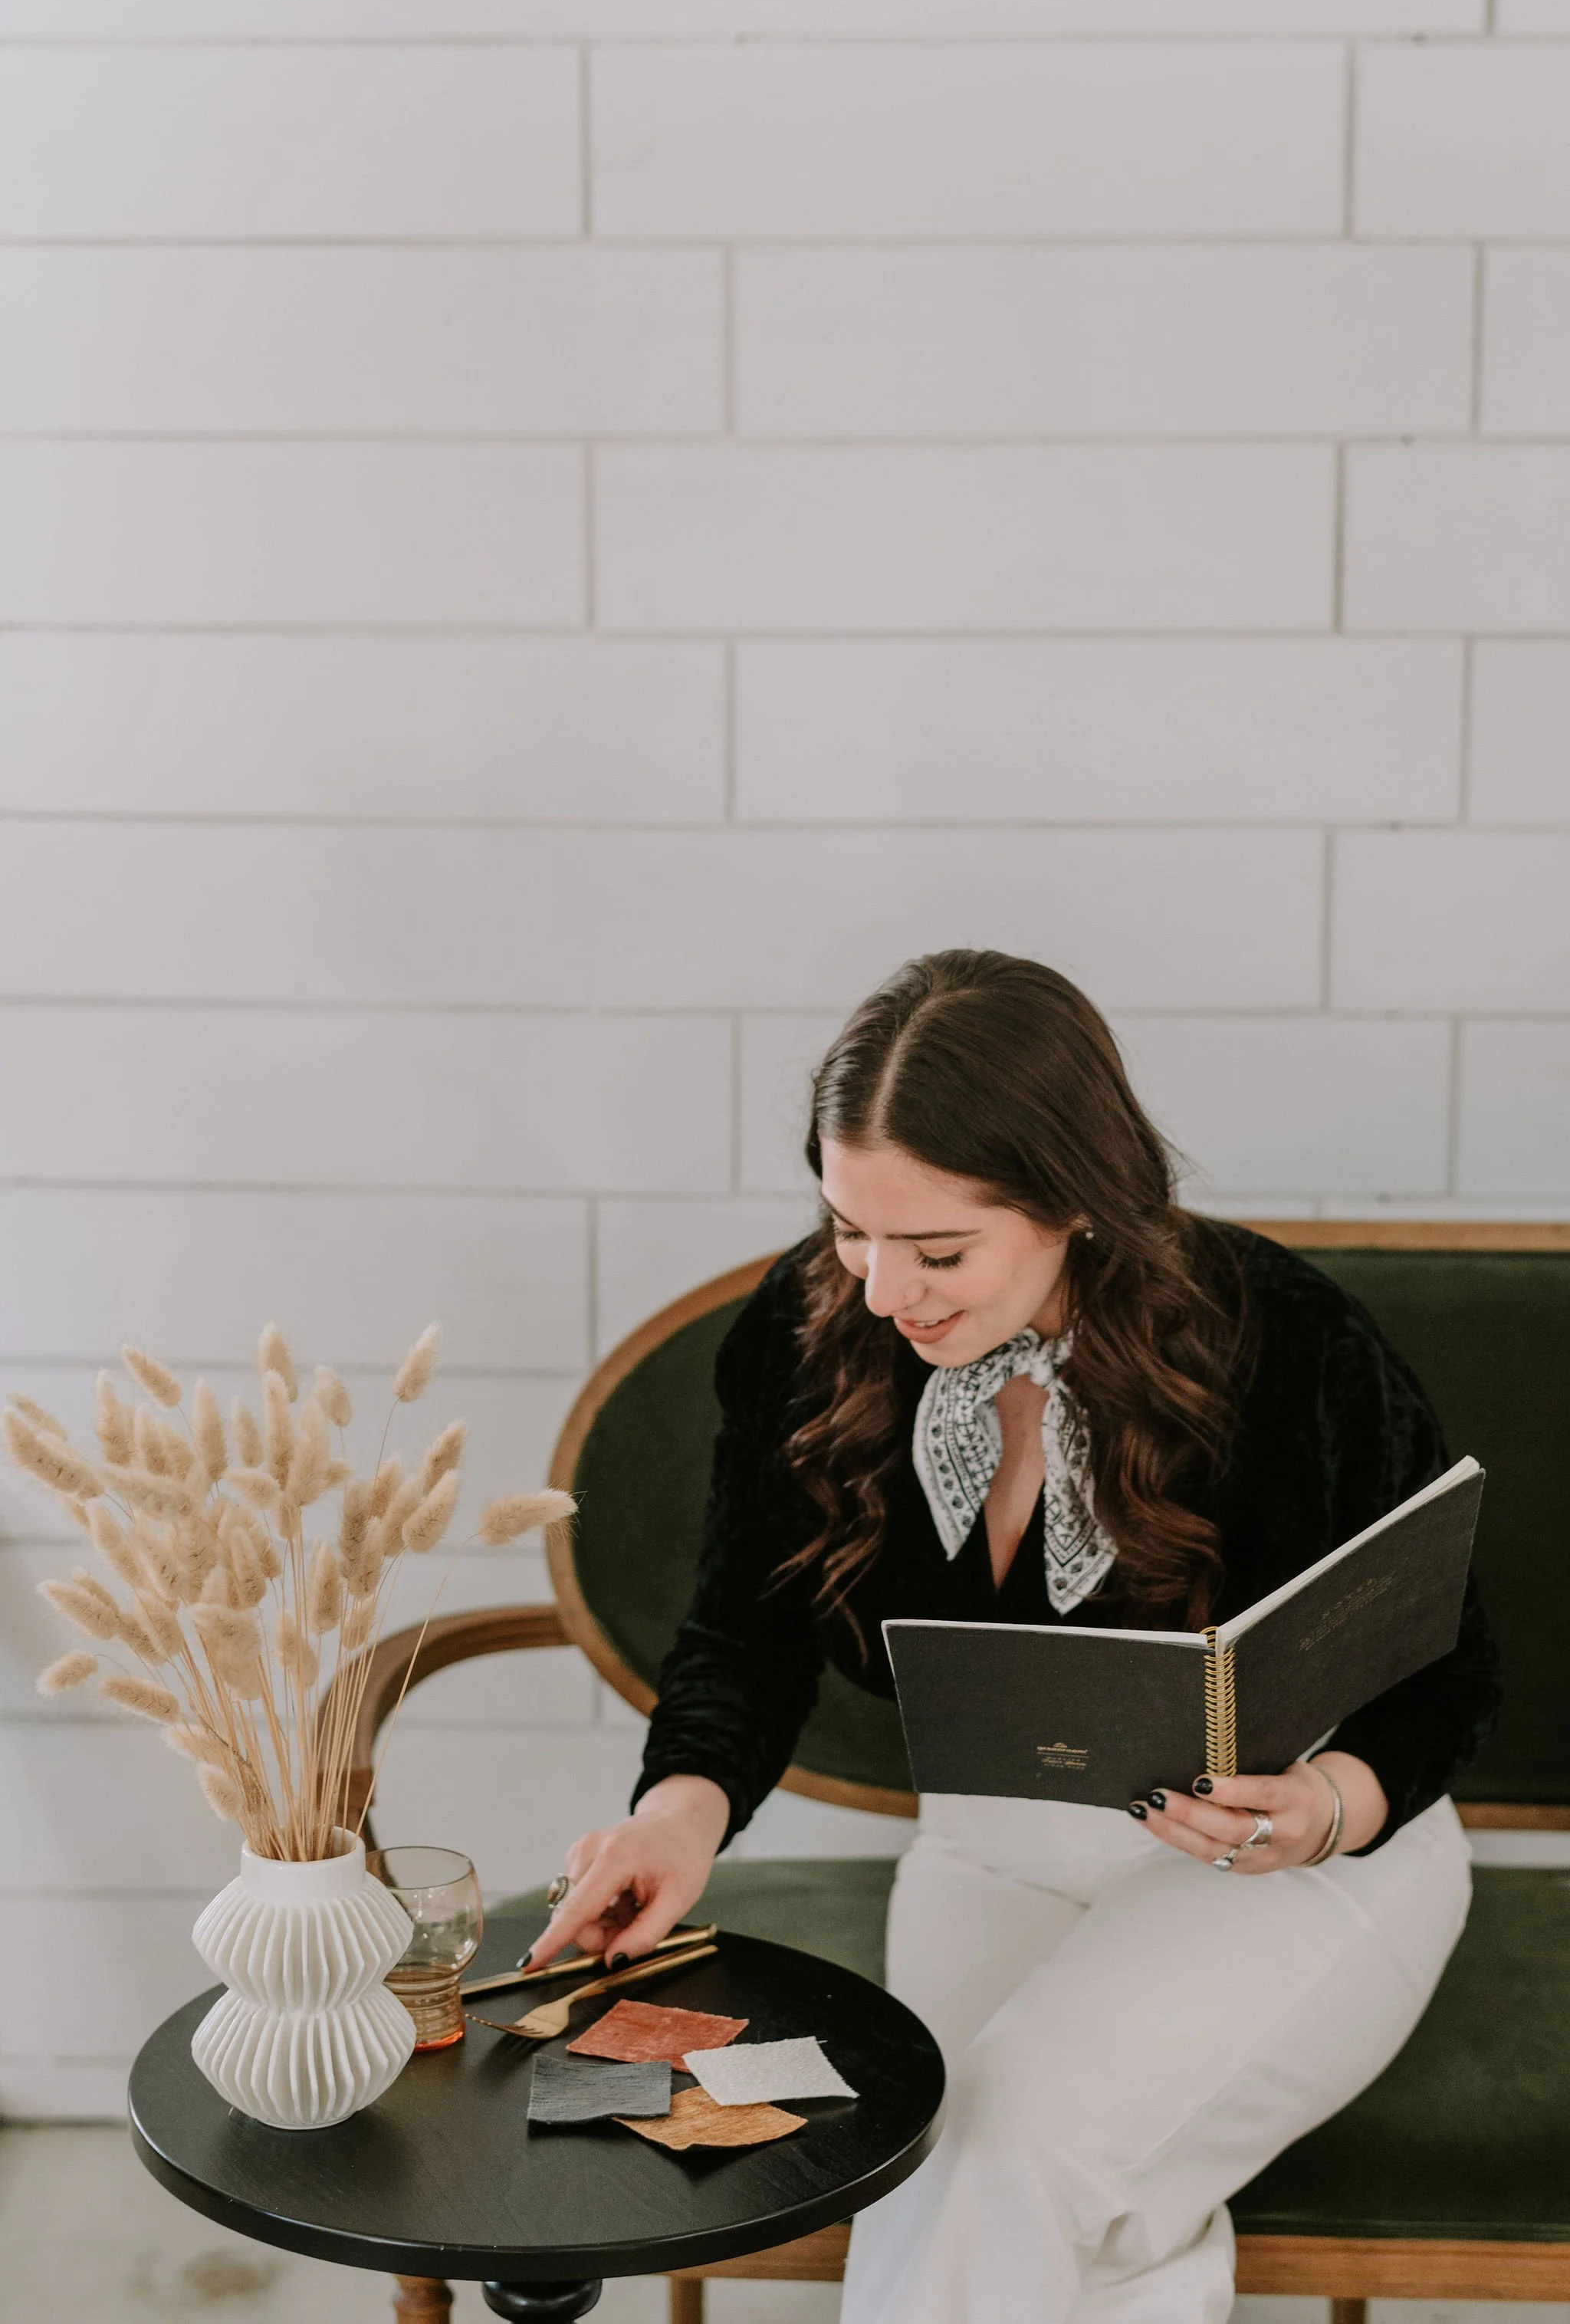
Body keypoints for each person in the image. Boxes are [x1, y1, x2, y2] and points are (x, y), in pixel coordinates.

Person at [532, 950, 1501, 2324]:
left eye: (937, 1251)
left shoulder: (1285, 1343)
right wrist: (678, 1815)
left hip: (1303, 1860)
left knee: (994, 2150)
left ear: (1077, 1207)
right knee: (973, 2172)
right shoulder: (807, 1337)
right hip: (993, 1842)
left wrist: (1334, 1804)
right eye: (848, 1230)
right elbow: (741, 1631)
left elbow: (1454, 1656)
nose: (880, 1291)